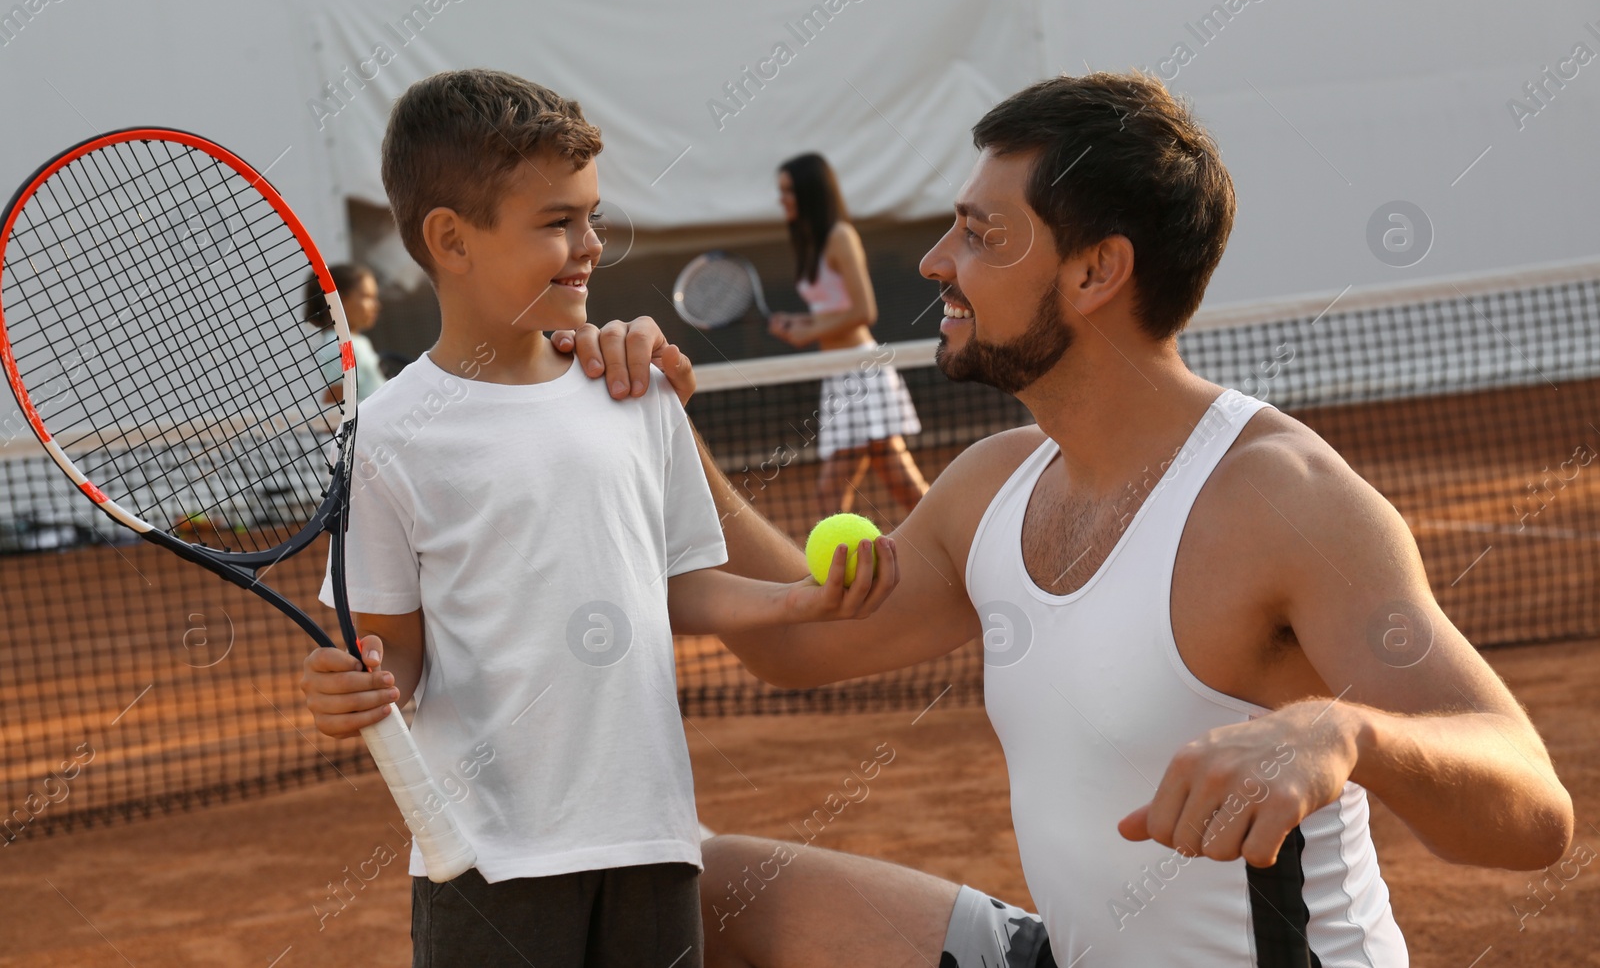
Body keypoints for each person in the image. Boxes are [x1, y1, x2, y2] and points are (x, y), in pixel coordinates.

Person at [644, 73, 1573, 965]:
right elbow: (798, 637)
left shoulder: (1282, 500)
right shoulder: (992, 485)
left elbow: (1534, 811)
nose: (935, 264)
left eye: (978, 234)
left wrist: (1342, 733)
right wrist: (658, 422)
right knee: (724, 889)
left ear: (1096, 271)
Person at [296, 69, 898, 968]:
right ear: (450, 240)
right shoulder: (384, 436)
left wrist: (792, 605)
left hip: (653, 837)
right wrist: (354, 682)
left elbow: (681, 580)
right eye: (556, 223)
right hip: (487, 863)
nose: (589, 247)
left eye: (593, 217)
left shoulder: (634, 388)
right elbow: (394, 648)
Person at [766, 152, 928, 514]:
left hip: (863, 372)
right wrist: (798, 323)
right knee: (898, 486)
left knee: (843, 494)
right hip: (838, 374)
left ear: (811, 191)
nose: (783, 200)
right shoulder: (811, 242)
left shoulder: (841, 235)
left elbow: (863, 311)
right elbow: (830, 312)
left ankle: (955, 547)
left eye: (789, 191)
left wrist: (808, 332)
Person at [305, 263, 387, 404]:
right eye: (367, 296)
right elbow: (335, 408)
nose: (377, 306)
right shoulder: (340, 346)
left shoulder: (357, 342)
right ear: (339, 300)